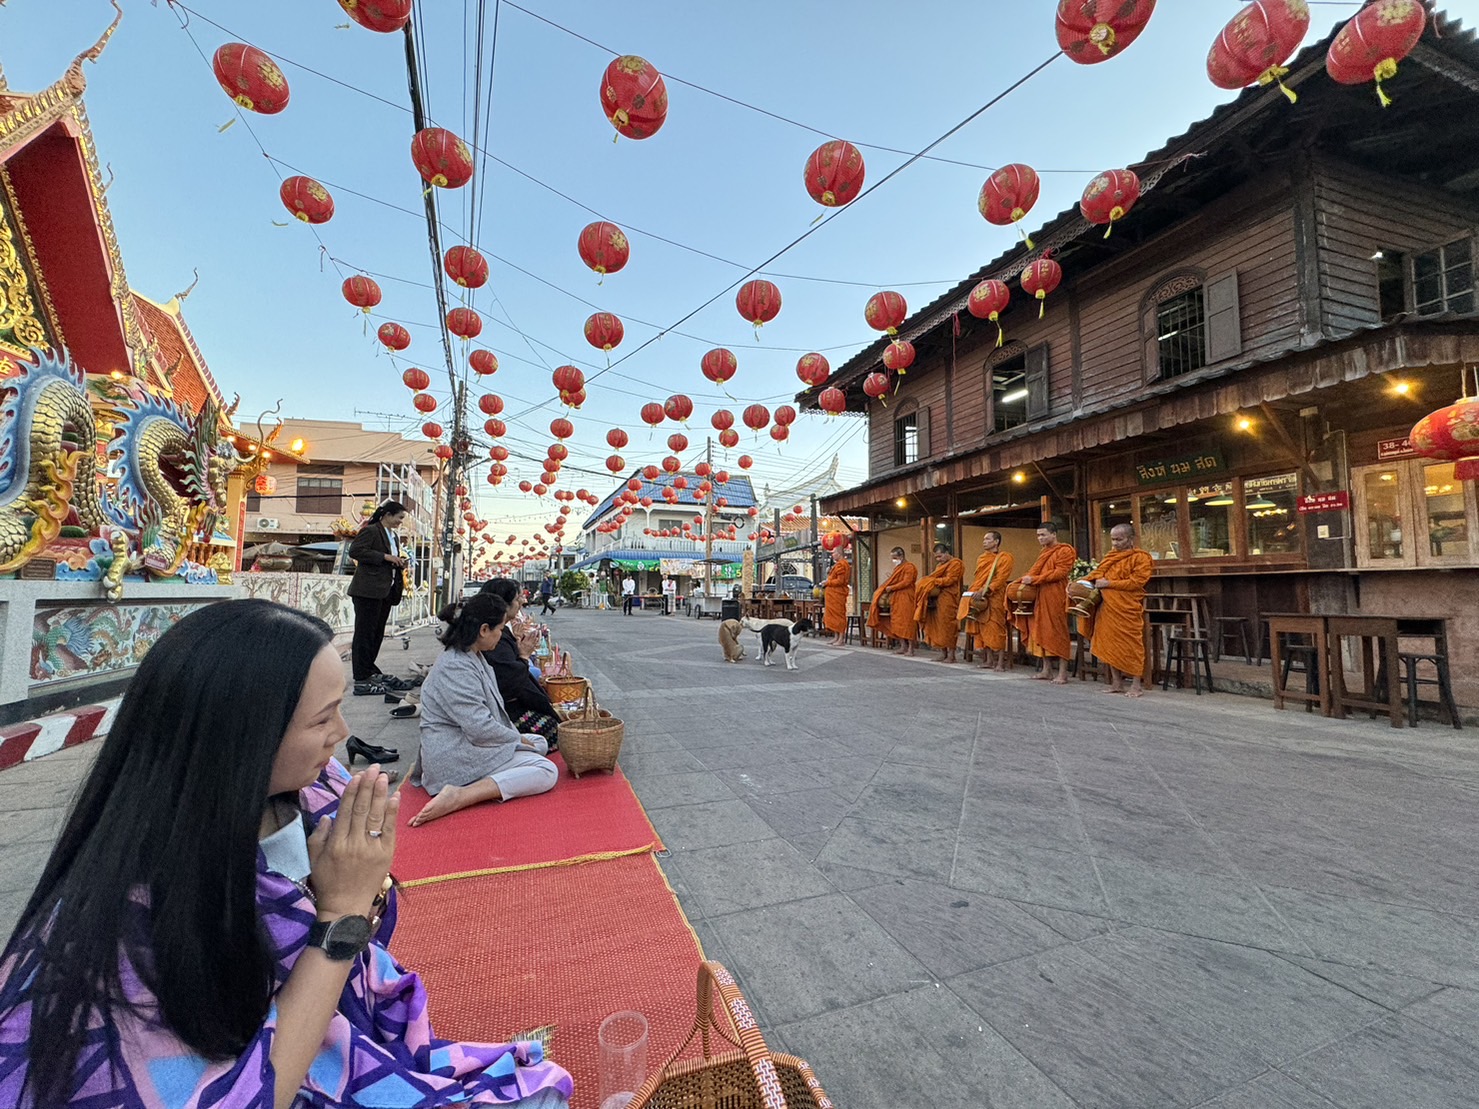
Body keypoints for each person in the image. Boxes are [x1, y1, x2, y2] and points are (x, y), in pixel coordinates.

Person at [0, 600, 572, 1107]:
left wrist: (364, 889)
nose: (341, 732)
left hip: (324, 1030)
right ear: (243, 736)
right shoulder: (122, 920)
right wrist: (341, 914)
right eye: (323, 718)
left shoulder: (315, 788)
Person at [411, 594, 559, 827]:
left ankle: (497, 773)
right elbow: (479, 729)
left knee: (539, 742)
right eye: (499, 629)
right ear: (483, 630)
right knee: (547, 770)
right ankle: (461, 795)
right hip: (456, 754)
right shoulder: (455, 667)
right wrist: (516, 738)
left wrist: (517, 739)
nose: (501, 635)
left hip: (472, 743)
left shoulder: (473, 656)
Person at [480, 578, 562, 745]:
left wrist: (518, 648)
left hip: (501, 710)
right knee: (559, 733)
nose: (523, 601)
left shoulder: (500, 635)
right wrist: (523, 655)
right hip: (504, 713)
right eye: (518, 598)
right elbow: (508, 683)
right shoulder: (491, 639)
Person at [347, 500, 410, 696]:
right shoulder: (372, 530)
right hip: (367, 591)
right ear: (387, 515)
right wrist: (385, 557)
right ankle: (361, 677)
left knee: (376, 634)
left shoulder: (394, 537)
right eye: (399, 518)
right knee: (364, 634)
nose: (401, 522)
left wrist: (398, 562)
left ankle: (369, 669)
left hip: (386, 591)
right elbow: (356, 551)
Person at [1090, 524, 1154, 697]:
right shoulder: (1110, 557)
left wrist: (1109, 584)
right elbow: (1097, 574)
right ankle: (1116, 682)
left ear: (1131, 539)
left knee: (1132, 644)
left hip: (1127, 607)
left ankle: (1136, 685)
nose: (1116, 543)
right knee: (1110, 643)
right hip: (1108, 606)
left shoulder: (1140, 558)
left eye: (1120, 539)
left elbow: (1136, 582)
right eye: (1113, 539)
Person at [1015, 521, 1077, 684]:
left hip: (1056, 594)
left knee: (1058, 630)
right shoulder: (1044, 552)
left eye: (1043, 535)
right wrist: (1021, 580)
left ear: (1054, 534)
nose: (1040, 538)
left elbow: (1060, 572)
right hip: (1041, 595)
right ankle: (1046, 669)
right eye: (1038, 535)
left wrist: (1035, 579)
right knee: (1041, 630)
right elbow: (1035, 570)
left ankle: (1063, 673)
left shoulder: (1065, 550)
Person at [961, 531, 1015, 671]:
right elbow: (979, 577)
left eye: (987, 539)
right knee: (983, 628)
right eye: (983, 539)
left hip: (995, 596)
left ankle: (1000, 663)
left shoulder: (1005, 558)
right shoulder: (982, 558)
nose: (984, 541)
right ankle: (989, 660)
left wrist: (987, 589)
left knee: (996, 628)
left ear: (996, 542)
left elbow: (1001, 578)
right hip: (980, 596)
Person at [913, 542, 965, 662]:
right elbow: (933, 578)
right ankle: (943, 652)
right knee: (938, 625)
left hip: (949, 598)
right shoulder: (939, 566)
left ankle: (951, 655)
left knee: (948, 625)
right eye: (936, 557)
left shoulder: (956, 563)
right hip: (937, 598)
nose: (938, 559)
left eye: (940, 556)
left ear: (947, 553)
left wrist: (934, 582)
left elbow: (951, 580)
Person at [868, 547, 919, 655]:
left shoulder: (909, 567)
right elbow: (896, 580)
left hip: (906, 597)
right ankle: (903, 646)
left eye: (895, 558)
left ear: (901, 556)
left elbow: (907, 582)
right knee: (896, 622)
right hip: (896, 598)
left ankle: (910, 648)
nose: (894, 560)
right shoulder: (897, 568)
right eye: (892, 558)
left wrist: (892, 587)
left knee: (907, 622)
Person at [822, 553, 852, 646]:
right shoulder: (837, 564)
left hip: (838, 594)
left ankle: (841, 638)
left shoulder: (842, 565)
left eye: (834, 553)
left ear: (839, 553)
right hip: (832, 595)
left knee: (839, 615)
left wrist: (828, 582)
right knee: (833, 616)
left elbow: (840, 581)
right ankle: (836, 636)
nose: (832, 555)